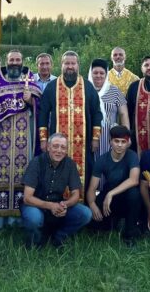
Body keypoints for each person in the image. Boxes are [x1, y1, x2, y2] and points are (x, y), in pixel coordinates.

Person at [0, 49, 42, 220]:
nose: (14, 63)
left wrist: (31, 100)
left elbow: (41, 108)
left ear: (22, 62)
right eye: (11, 60)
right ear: (6, 62)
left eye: (17, 60)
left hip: (24, 138)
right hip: (1, 139)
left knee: (24, 174)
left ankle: (20, 217)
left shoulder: (30, 81)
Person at [38, 51, 103, 198]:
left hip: (84, 142)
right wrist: (43, 140)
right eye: (67, 63)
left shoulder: (88, 86)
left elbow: (97, 113)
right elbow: (43, 114)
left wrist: (95, 138)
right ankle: (55, 204)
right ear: (61, 65)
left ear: (78, 65)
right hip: (57, 144)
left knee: (85, 172)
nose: (70, 66)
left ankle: (82, 205)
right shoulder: (52, 87)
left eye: (73, 63)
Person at [21, 133, 92, 248]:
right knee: (34, 218)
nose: (59, 150)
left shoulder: (70, 164)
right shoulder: (36, 162)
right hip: (36, 204)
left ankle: (59, 237)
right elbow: (27, 198)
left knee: (85, 214)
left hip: (58, 203)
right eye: (55, 146)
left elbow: (76, 194)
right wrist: (50, 206)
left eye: (63, 147)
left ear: (66, 150)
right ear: (48, 147)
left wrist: (65, 204)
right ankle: (35, 243)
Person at [85, 125, 141, 245]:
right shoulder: (102, 159)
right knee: (94, 225)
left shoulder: (132, 156)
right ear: (110, 141)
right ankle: (112, 223)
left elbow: (134, 180)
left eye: (123, 142)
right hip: (109, 197)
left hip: (127, 196)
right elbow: (92, 188)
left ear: (128, 143)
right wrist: (92, 204)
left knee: (134, 194)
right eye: (116, 141)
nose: (120, 145)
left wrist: (111, 194)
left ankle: (130, 234)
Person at [89, 58, 130, 158]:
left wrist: (126, 136)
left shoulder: (114, 91)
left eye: (102, 73)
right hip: (89, 134)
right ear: (91, 74)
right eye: (95, 73)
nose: (98, 76)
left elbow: (123, 114)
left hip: (110, 136)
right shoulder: (85, 90)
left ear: (106, 74)